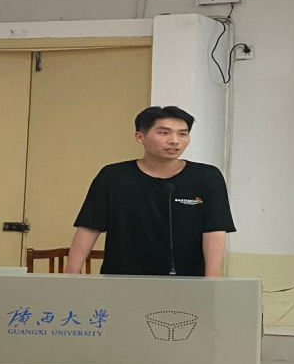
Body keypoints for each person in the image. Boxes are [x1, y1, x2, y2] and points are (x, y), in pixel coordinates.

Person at [65, 106, 236, 277]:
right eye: (164, 133)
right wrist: (71, 273)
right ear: (140, 137)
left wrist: (212, 281)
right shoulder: (113, 176)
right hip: (122, 279)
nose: (174, 141)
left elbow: (214, 231)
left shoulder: (207, 176)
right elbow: (89, 227)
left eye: (183, 134)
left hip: (188, 280)